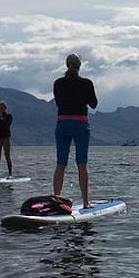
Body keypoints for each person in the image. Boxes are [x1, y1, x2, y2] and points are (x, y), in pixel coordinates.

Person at [53, 54, 97, 209]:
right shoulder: (86, 83)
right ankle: (86, 202)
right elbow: (94, 104)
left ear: (67, 65)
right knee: (82, 164)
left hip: (63, 123)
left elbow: (59, 103)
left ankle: (56, 200)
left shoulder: (58, 83)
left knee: (61, 163)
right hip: (80, 124)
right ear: (80, 66)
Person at [0, 101, 14, 178]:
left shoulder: (9, 116)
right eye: (0, 107)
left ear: (5, 108)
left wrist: (1, 120)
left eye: (2, 107)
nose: (1, 109)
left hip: (5, 138)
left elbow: (6, 125)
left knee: (7, 156)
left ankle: (10, 174)